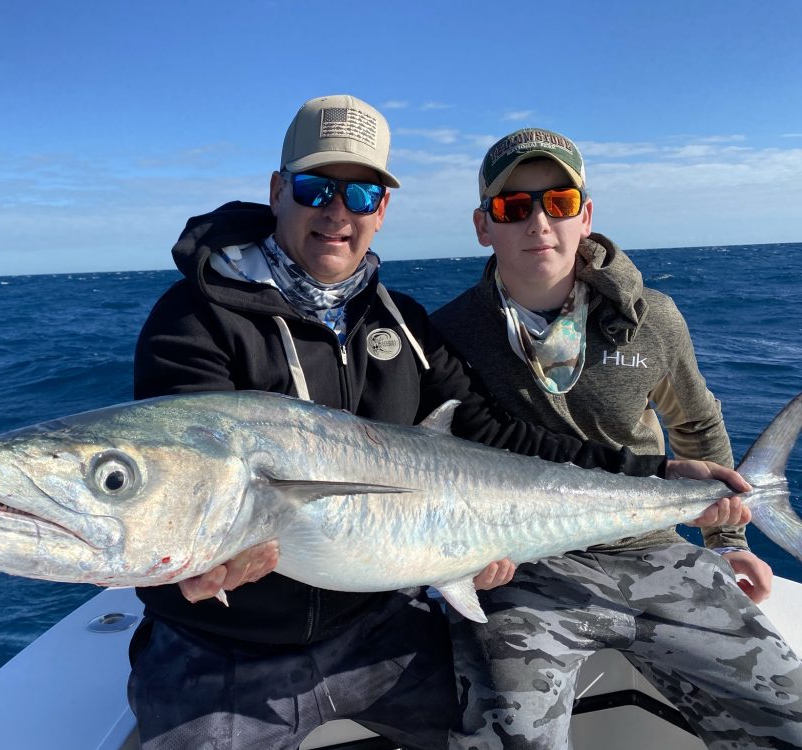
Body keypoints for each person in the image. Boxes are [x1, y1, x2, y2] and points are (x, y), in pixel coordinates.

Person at [127, 98, 747, 750]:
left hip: (381, 632)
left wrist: (660, 473)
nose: (339, 211)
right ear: (278, 191)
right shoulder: (192, 320)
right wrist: (187, 559)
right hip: (221, 650)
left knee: (502, 731)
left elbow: (500, 439)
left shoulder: (404, 325)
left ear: (382, 211)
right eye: (316, 188)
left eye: (362, 193)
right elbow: (187, 474)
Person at [432, 127, 802, 749]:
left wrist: (728, 535)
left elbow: (696, 423)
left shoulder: (651, 318)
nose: (538, 222)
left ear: (586, 215)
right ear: (482, 226)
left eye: (559, 202)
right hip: (525, 567)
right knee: (509, 735)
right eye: (512, 207)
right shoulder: (449, 335)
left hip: (654, 550)